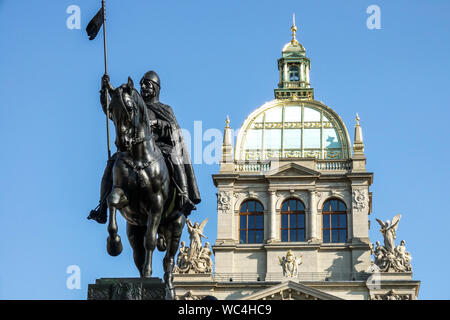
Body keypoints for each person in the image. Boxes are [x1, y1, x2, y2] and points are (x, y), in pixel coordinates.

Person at [88, 71, 201, 223]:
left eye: (147, 84)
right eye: (141, 83)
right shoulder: (133, 106)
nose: (143, 86)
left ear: (155, 88)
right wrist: (104, 90)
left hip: (159, 146)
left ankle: (184, 196)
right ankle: (102, 208)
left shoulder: (164, 108)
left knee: (176, 159)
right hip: (133, 148)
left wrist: (158, 124)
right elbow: (112, 111)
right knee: (111, 164)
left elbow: (173, 129)